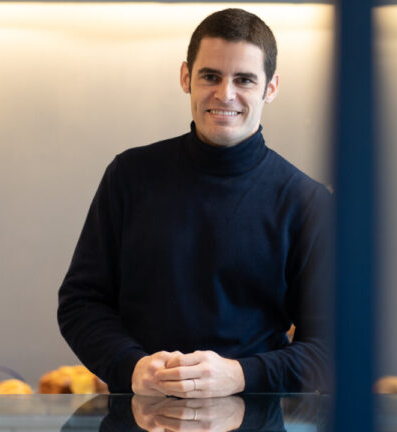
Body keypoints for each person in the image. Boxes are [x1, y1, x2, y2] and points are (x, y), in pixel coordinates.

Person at [58, 8, 333, 398]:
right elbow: (80, 303)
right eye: (211, 76)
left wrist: (239, 375)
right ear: (186, 77)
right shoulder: (130, 175)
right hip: (137, 415)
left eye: (244, 80)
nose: (225, 94)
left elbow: (330, 346)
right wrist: (132, 366)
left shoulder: (306, 201)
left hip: (254, 417)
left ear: (270, 88)